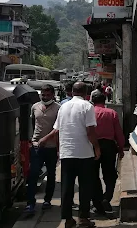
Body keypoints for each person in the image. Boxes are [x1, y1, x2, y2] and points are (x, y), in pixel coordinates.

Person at [39, 82, 101, 228]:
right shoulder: (87, 106)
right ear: (86, 93)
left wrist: (60, 150)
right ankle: (83, 218)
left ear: (72, 92)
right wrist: (97, 148)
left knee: (67, 188)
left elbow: (57, 131)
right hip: (84, 153)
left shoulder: (63, 107)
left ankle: (67, 219)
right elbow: (90, 131)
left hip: (67, 153)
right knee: (85, 187)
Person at [25, 84, 60, 213]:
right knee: (33, 174)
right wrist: (32, 141)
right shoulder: (35, 107)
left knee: (51, 175)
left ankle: (47, 200)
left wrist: (47, 140)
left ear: (53, 95)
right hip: (36, 147)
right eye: (43, 95)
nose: (45, 97)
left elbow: (58, 128)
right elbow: (33, 124)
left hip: (51, 147)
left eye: (47, 95)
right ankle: (30, 203)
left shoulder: (58, 108)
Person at [90, 92, 125, 213]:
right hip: (109, 146)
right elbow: (118, 133)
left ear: (92, 101)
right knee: (110, 175)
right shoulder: (112, 113)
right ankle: (106, 198)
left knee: (93, 175)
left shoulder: (89, 113)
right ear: (104, 101)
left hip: (92, 146)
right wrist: (121, 148)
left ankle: (97, 202)